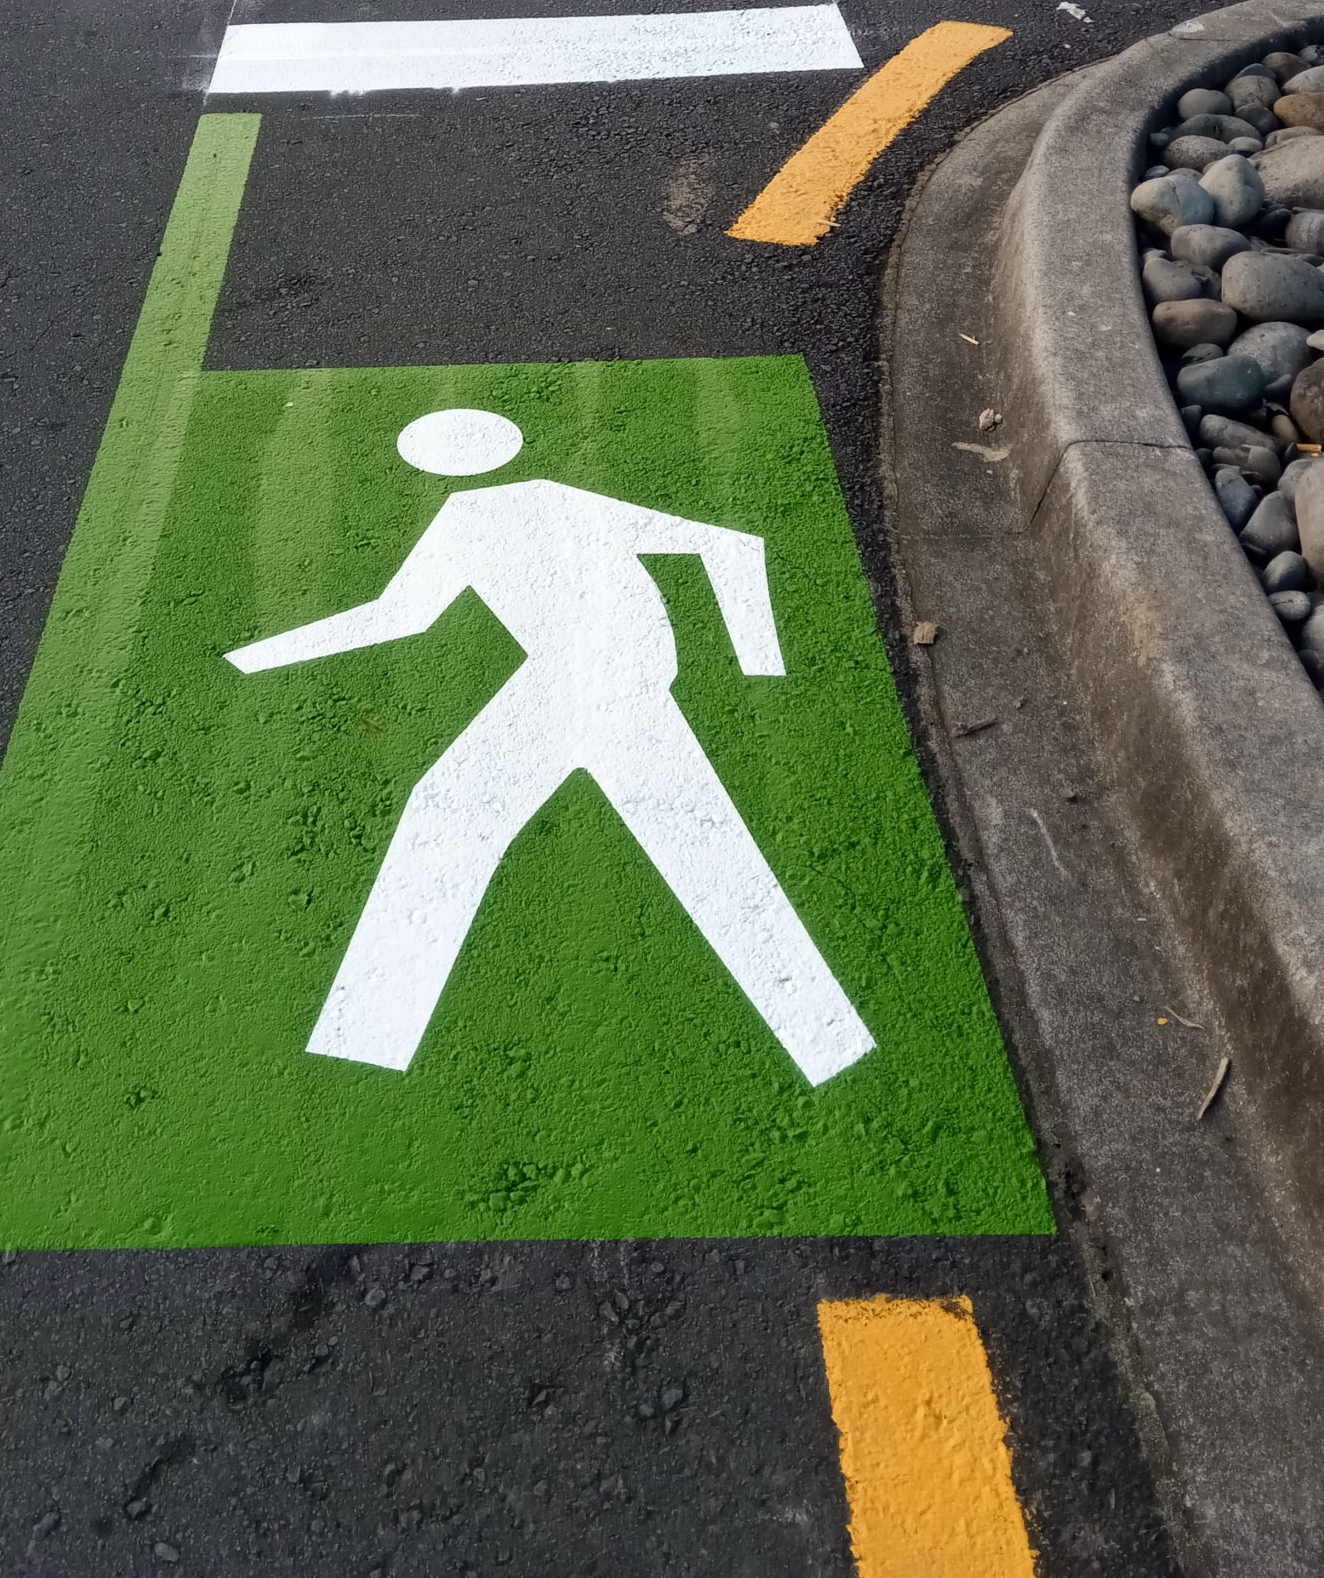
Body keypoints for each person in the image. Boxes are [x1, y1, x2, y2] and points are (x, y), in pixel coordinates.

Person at [227, 407, 875, 1083]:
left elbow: (727, 545)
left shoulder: (505, 510)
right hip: (592, 674)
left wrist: (759, 657)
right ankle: (823, 1036)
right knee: (679, 831)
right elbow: (401, 617)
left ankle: (365, 1038)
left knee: (469, 810)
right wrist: (266, 656)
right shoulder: (512, 511)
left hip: (600, 675)